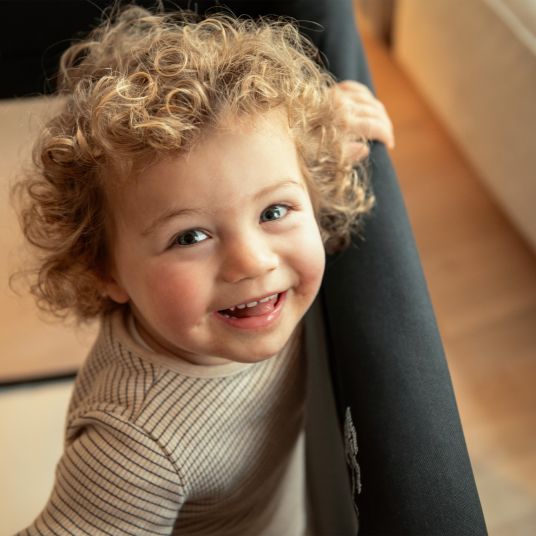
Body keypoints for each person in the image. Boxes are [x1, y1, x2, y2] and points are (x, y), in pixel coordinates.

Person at [14, 5, 395, 534]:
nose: (253, 261)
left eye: (274, 212)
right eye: (190, 236)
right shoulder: (135, 447)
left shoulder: (257, 279)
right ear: (106, 270)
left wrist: (326, 128)